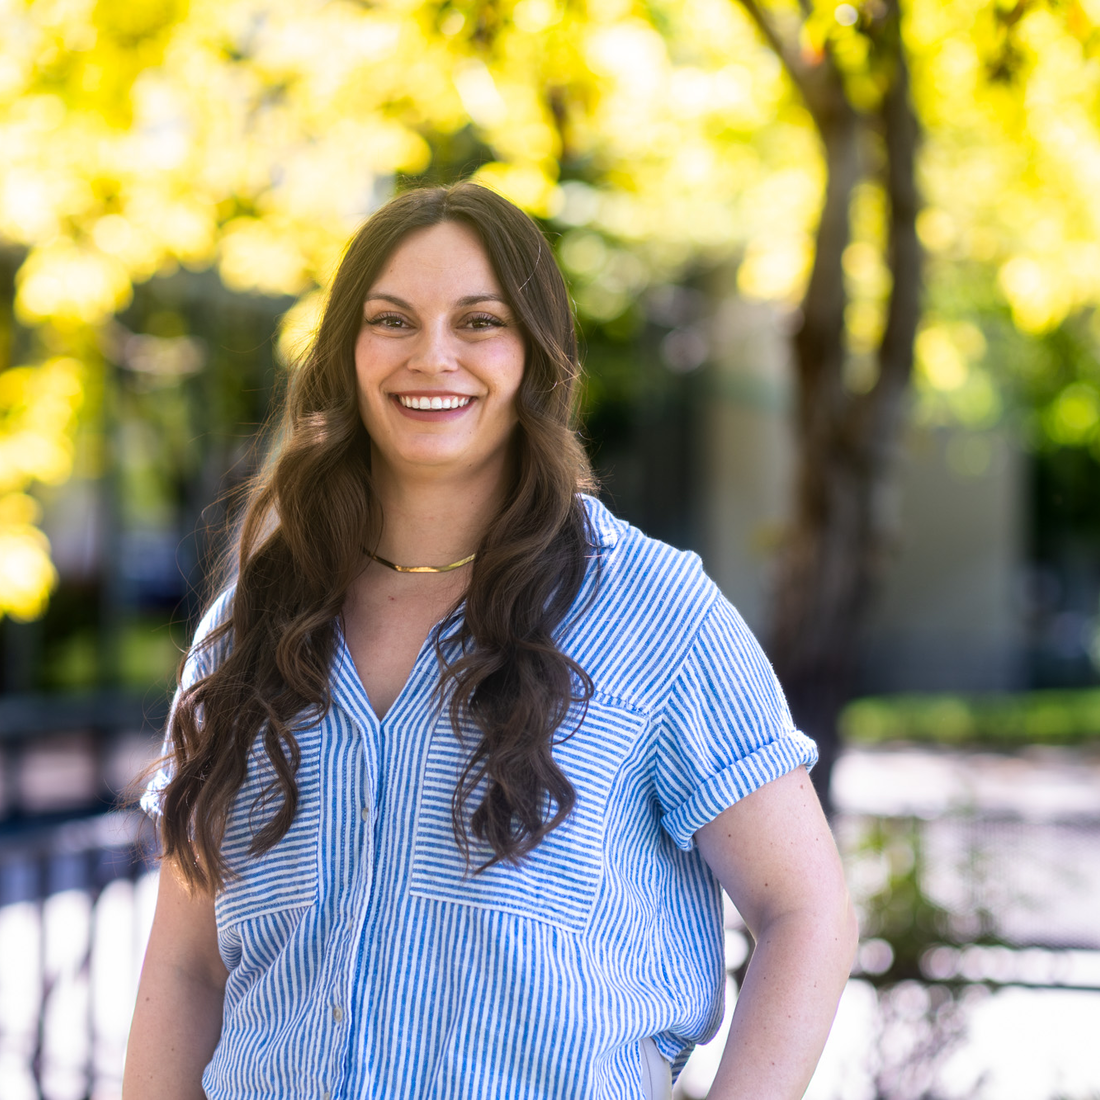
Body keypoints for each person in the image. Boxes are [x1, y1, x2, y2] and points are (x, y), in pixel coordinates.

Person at [123, 181, 858, 1100]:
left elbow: (807, 911)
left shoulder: (653, 610)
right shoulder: (250, 626)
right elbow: (187, 969)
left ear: (535, 354)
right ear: (347, 352)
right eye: (392, 320)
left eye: (478, 322)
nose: (433, 357)